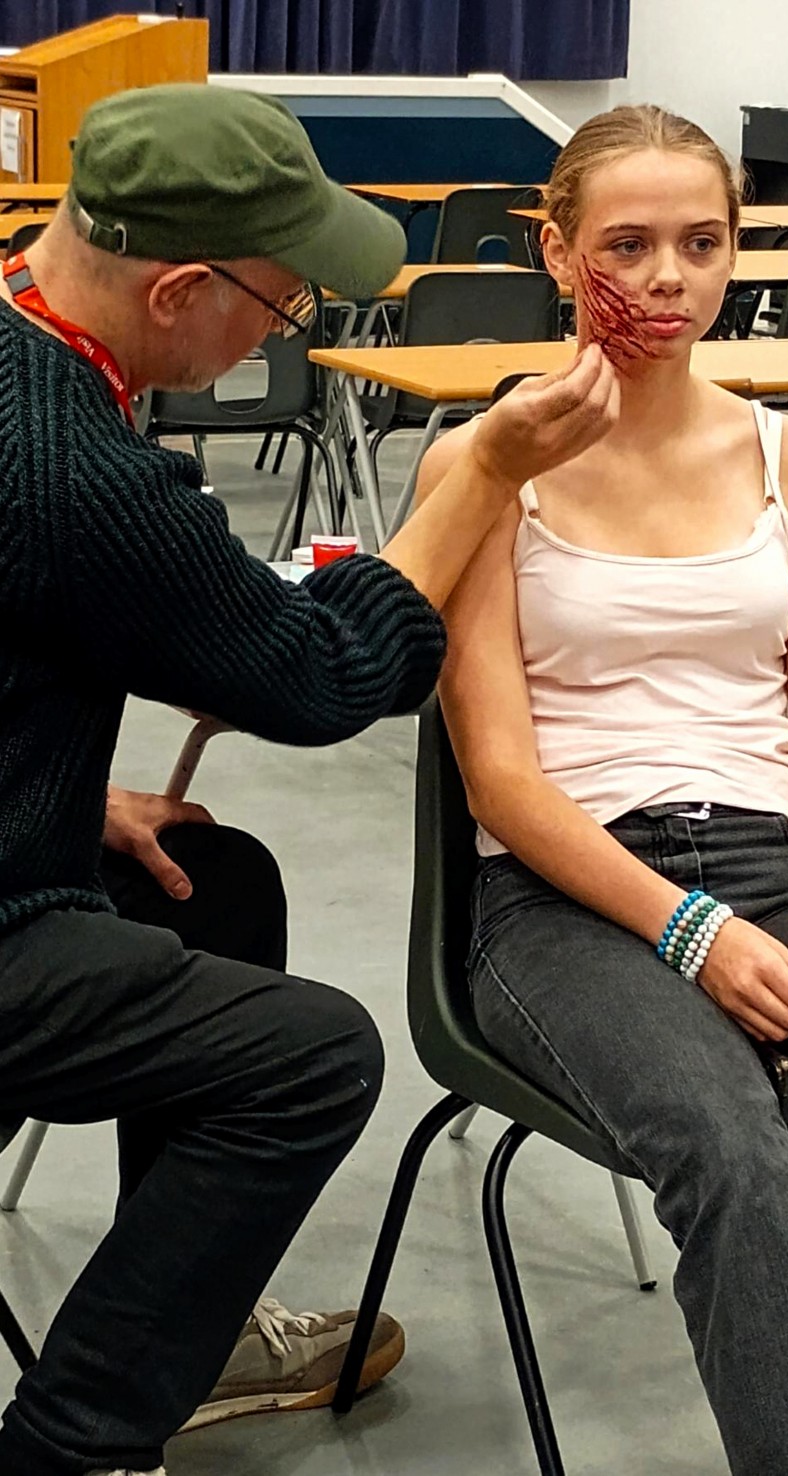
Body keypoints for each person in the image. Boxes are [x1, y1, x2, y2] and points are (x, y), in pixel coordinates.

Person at [0, 82, 618, 1476]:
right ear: (178, 294)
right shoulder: (72, 464)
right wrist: (477, 476)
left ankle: (195, 1336)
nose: (295, 335)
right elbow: (324, 679)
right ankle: (73, 1444)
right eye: (286, 310)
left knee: (215, 883)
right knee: (311, 1056)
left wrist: (48, 786)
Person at [419, 104, 788, 1476]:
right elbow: (498, 780)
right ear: (558, 255)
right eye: (628, 244)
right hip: (569, 897)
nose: (668, 278)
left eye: (701, 242)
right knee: (744, 1174)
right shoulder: (485, 465)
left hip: (783, 869)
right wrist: (689, 931)